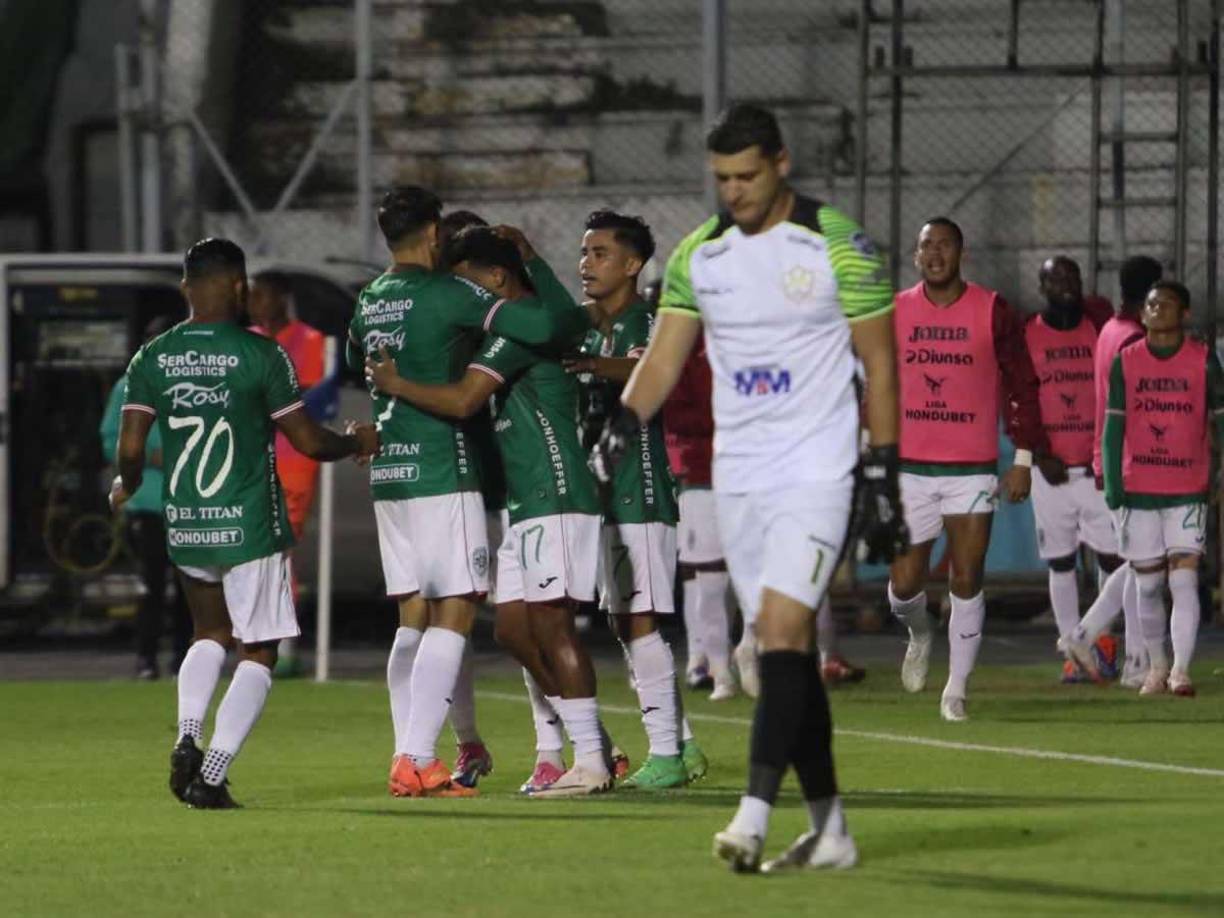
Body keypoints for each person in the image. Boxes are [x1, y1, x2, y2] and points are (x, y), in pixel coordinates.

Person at [593, 103, 906, 872]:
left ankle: (753, 815)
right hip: (740, 475)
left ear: (781, 163)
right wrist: (622, 420)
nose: (733, 191)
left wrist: (883, 470)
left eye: (746, 175)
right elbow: (664, 358)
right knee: (783, 646)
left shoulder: (841, 245)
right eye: (722, 178)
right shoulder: (702, 255)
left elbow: (882, 363)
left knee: (778, 631)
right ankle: (830, 829)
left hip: (817, 469)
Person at [109, 237, 378, 808]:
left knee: (208, 634)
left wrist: (127, 485)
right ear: (238, 287)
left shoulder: (153, 356)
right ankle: (212, 771)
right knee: (258, 651)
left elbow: (131, 447)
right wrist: (355, 440)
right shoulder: (261, 354)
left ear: (186, 287)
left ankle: (186, 733)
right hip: (251, 522)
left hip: (188, 522)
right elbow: (306, 439)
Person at [350, 189, 594, 799]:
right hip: (440, 469)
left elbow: (360, 355)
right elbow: (551, 324)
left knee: (412, 616)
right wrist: (530, 265)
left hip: (389, 473)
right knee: (456, 610)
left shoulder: (368, 300)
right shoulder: (448, 293)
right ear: (433, 233)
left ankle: (413, 752)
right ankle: (416, 758)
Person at [565, 209, 707, 788]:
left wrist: (595, 365)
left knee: (639, 619)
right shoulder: (580, 324)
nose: (586, 264)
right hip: (600, 490)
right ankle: (685, 747)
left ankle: (667, 756)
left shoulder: (651, 321)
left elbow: (653, 371)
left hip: (641, 489)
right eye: (584, 253)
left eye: (600, 254)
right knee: (626, 620)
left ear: (632, 264)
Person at [887, 217, 1048, 722]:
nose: (935, 253)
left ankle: (956, 688)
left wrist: (1022, 458)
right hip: (910, 467)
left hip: (972, 468)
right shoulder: (894, 310)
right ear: (915, 256)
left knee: (968, 575)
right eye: (925, 246)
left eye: (944, 245)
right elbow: (873, 383)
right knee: (904, 584)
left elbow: (1023, 383)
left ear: (962, 252)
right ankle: (918, 631)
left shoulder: (994, 309)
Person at [1071, 281, 1222, 697]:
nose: (1157, 310)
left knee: (1184, 581)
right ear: (1143, 313)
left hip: (1188, 487)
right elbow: (1113, 425)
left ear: (1185, 314)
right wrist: (1114, 485)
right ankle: (1156, 666)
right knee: (1148, 584)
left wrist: (1218, 474)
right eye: (1152, 304)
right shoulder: (1126, 362)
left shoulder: (1204, 361)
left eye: (1167, 304)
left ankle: (1181, 671)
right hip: (1139, 487)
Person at [1060, 255, 1165, 687]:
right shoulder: (1133, 340)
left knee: (1142, 560)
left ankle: (1122, 654)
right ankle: (1100, 641)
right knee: (1145, 561)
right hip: (1136, 463)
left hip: (1113, 458)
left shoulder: (1109, 331)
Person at [1024, 256, 1122, 682]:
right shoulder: (1028, 334)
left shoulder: (1099, 325)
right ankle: (1073, 654)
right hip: (1051, 471)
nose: (1066, 284)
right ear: (1042, 286)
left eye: (1072, 276)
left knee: (1113, 559)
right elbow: (1019, 399)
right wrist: (1037, 453)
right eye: (1056, 278)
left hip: (1095, 467)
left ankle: (1100, 642)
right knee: (1060, 562)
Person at [99, 315, 191, 679]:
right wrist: (146, 457)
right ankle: (146, 659)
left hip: (188, 501)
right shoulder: (128, 384)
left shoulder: (195, 384)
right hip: (148, 503)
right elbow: (110, 439)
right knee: (150, 585)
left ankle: (185, 659)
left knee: (191, 586)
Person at [247, 270, 328, 676]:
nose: (254, 302)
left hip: (292, 458)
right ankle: (260, 640)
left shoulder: (309, 340)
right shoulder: (247, 337)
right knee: (255, 547)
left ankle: (285, 646)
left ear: (282, 297)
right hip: (250, 457)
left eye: (261, 295)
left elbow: (305, 398)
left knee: (281, 546)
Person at [660, 332, 738, 699]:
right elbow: (676, 413)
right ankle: (715, 667)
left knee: (754, 576)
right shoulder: (677, 349)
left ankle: (742, 655)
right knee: (706, 577)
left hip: (747, 472)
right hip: (698, 474)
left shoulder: (737, 340)